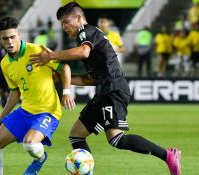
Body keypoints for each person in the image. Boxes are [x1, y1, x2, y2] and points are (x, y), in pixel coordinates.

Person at [30, 2, 181, 175]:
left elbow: (83, 52)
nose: (64, 27)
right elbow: (91, 79)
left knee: (116, 139)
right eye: (61, 23)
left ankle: (169, 155)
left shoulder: (86, 31)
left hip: (114, 89)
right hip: (104, 90)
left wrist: (51, 55)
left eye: (66, 21)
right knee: (76, 134)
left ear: (79, 18)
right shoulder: (90, 38)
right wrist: (64, 78)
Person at [0, 16, 75, 175]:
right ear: (0, 39)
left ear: (19, 35)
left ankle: (40, 159)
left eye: (13, 37)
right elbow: (14, 92)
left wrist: (66, 92)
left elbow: (64, 68)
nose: (10, 42)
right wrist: (2, 116)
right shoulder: (5, 63)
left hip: (48, 111)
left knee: (30, 144)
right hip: (25, 111)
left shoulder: (36, 50)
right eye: (5, 39)